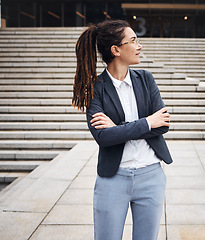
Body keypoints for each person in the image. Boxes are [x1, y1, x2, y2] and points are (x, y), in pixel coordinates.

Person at [72, 19, 173, 240]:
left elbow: (163, 124)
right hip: (112, 179)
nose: (140, 46)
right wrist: (147, 122)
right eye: (134, 40)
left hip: (151, 176)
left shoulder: (145, 79)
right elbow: (103, 137)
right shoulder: (95, 88)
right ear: (116, 49)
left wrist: (119, 129)